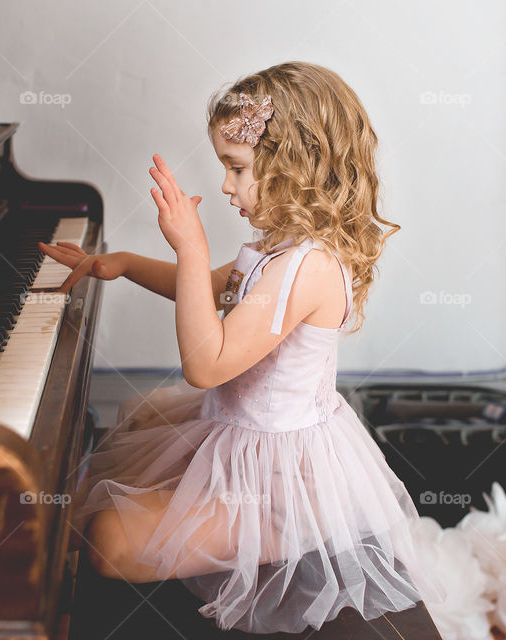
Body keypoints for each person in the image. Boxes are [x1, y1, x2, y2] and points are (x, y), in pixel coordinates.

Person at [38, 61, 447, 634]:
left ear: (294, 167)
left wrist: (192, 247)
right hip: (234, 435)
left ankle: (297, 530)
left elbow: (206, 365)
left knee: (107, 540)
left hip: (281, 476)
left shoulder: (312, 267)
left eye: (236, 168)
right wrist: (124, 265)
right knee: (132, 429)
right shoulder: (279, 247)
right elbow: (209, 290)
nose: (226, 186)